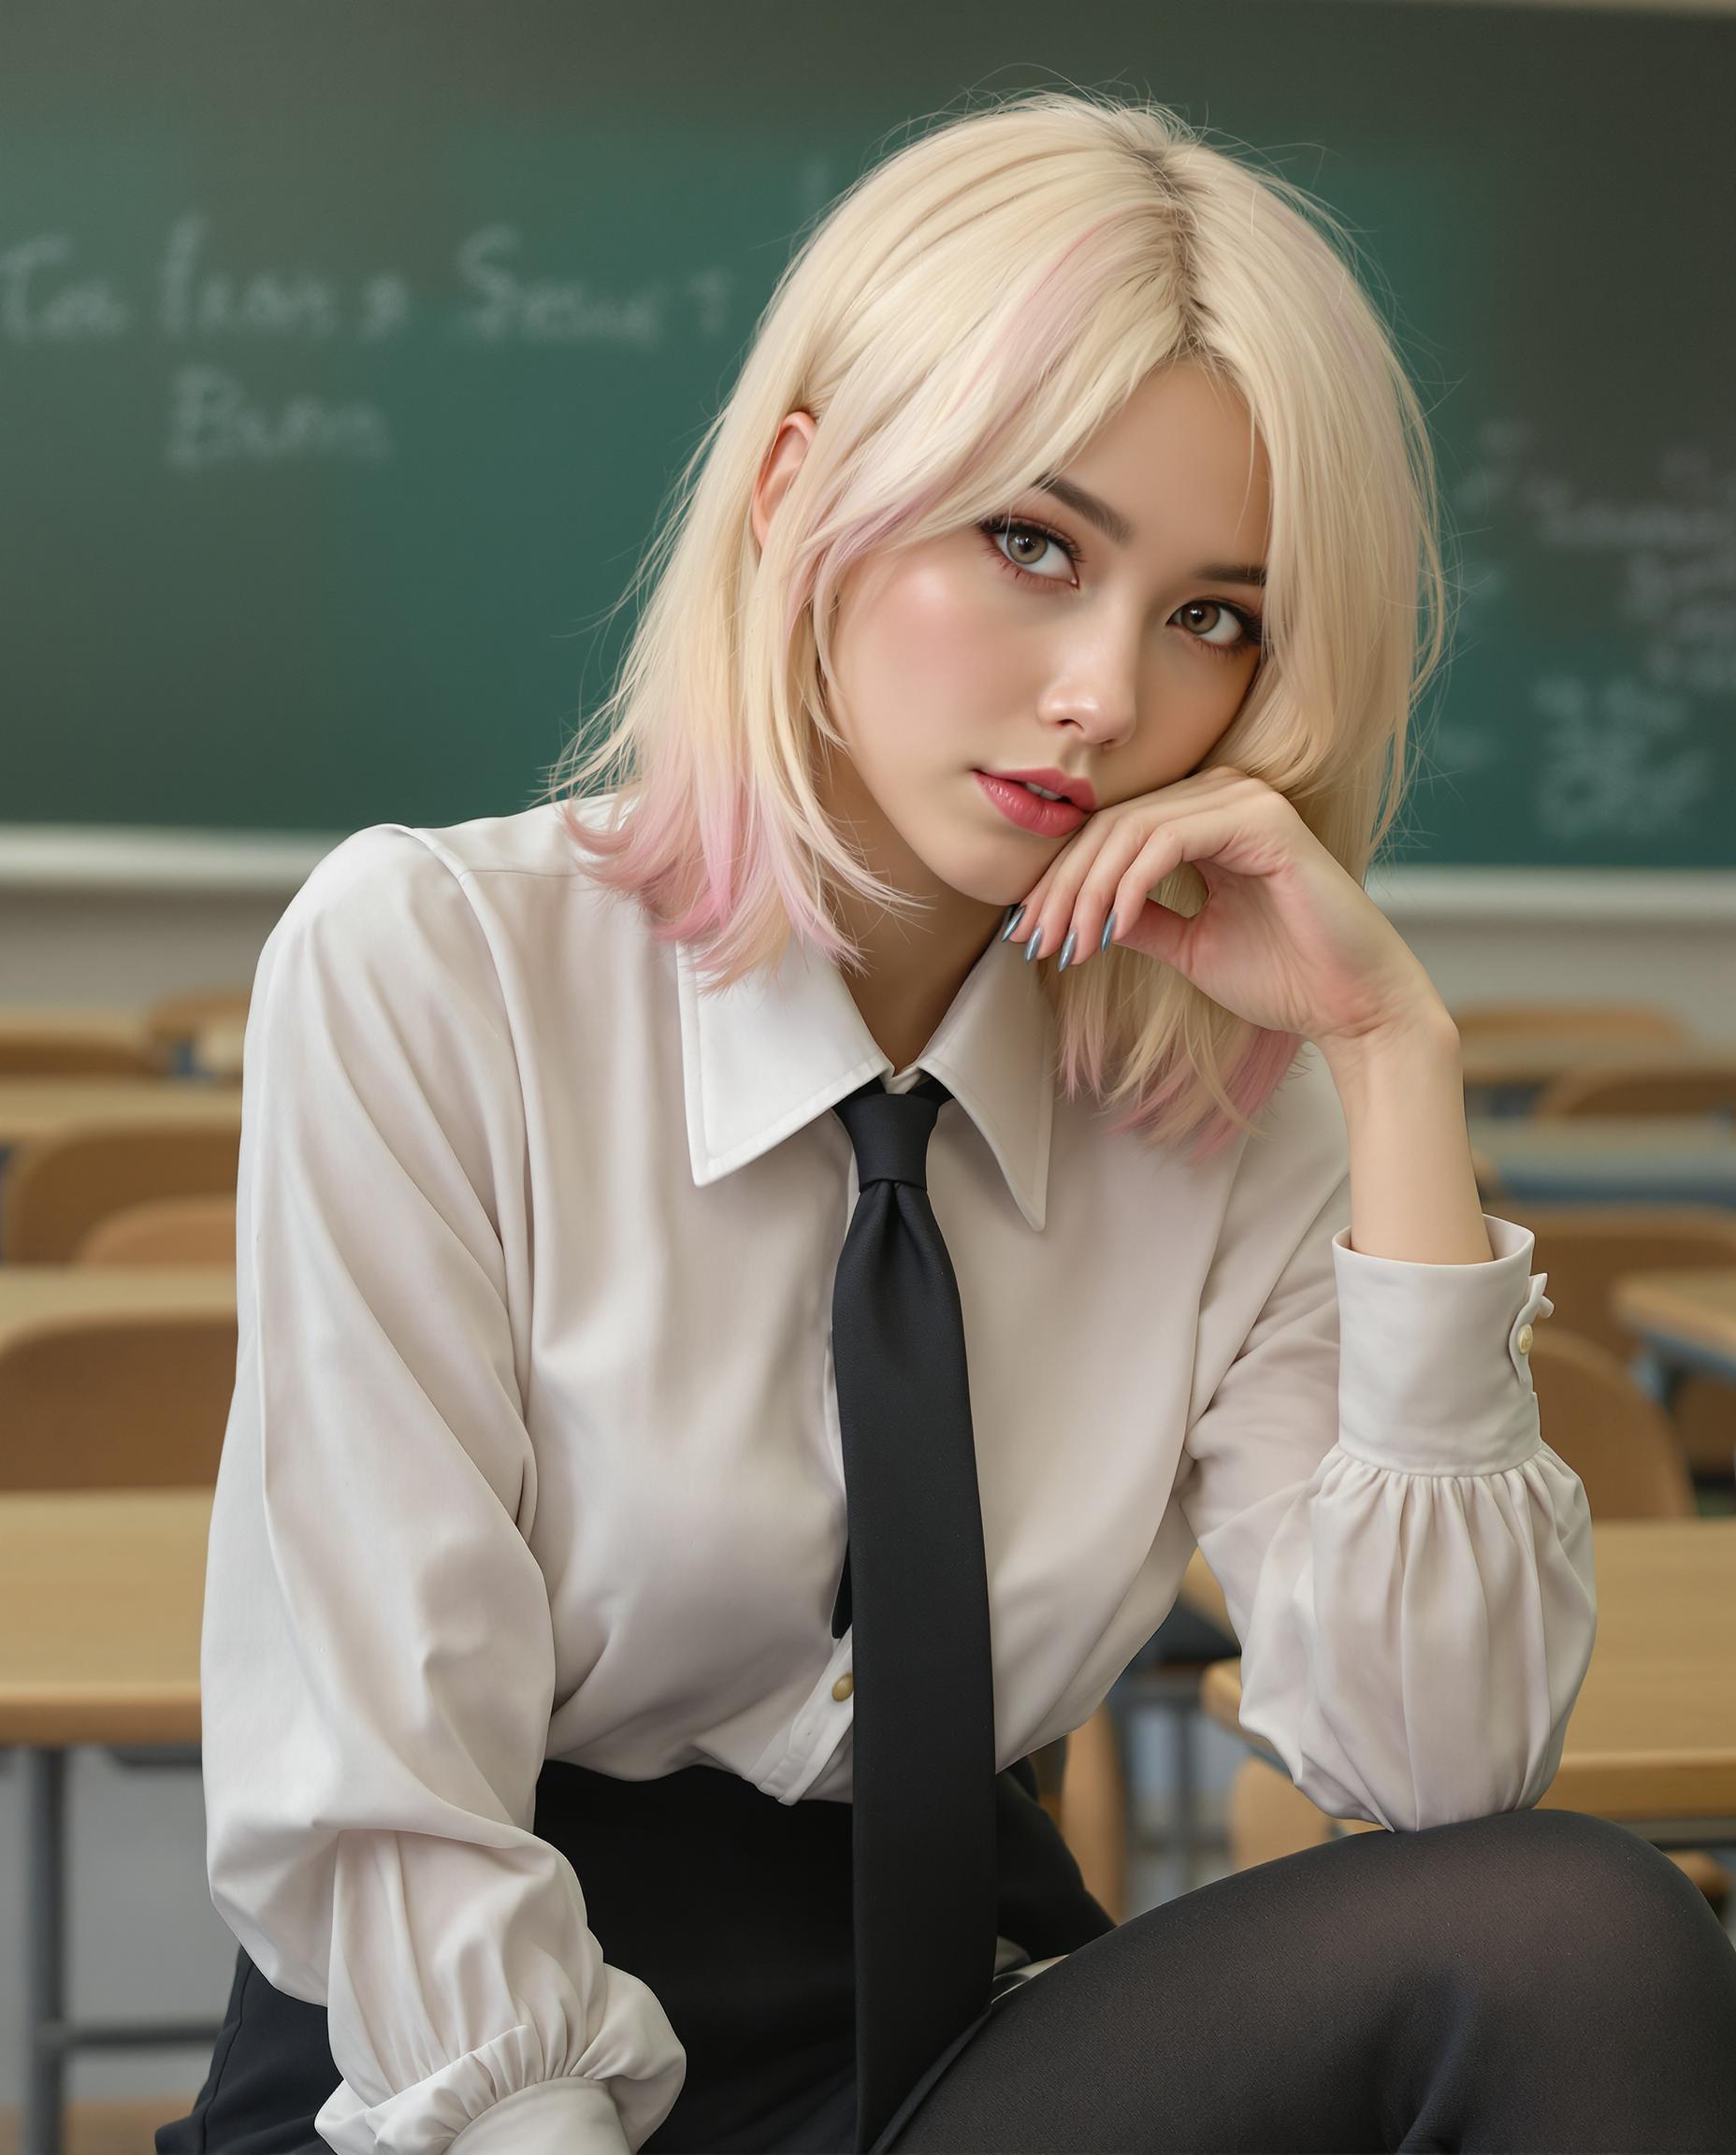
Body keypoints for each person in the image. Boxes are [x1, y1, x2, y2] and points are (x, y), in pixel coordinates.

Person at [158, 87, 1736, 2155]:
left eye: (1211, 617)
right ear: (806, 490)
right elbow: (392, 1792)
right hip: (467, 2069)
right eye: (1030, 545)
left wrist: (1391, 1063)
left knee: (1579, 1932)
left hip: (958, 2048)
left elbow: (1431, 1785)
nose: (1104, 693)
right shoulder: (436, 968)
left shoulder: (1227, 1088)